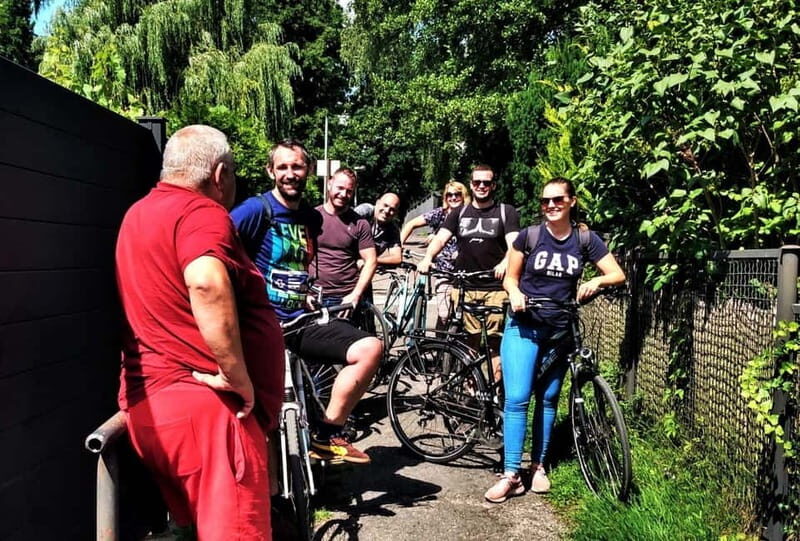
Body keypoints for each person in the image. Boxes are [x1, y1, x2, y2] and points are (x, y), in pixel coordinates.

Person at [115, 125, 283, 539]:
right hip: (207, 417)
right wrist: (237, 376)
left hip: (151, 408)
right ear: (220, 174)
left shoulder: (136, 214)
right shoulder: (200, 212)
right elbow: (206, 281)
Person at [231, 143, 381, 464]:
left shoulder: (309, 219)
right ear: (271, 171)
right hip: (261, 327)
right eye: (282, 167)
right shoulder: (256, 210)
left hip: (299, 322)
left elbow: (302, 263)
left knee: (370, 348)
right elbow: (218, 247)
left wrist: (308, 290)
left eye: (297, 167)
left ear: (308, 171)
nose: (290, 174)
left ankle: (328, 434)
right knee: (261, 416)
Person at [484, 177, 626, 503]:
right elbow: (511, 278)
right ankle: (510, 475)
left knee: (548, 399)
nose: (550, 206)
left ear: (571, 201)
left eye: (557, 200)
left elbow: (617, 274)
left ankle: (538, 467)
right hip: (524, 326)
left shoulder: (585, 239)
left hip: (561, 331)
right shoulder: (530, 236)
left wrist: (598, 282)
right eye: (545, 201)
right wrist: (516, 293)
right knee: (518, 397)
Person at [417, 165, 520, 380]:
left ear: (493, 185)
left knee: (494, 343)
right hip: (464, 287)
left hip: (495, 289)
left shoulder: (505, 212)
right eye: (477, 182)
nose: (481, 186)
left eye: (486, 183)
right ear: (471, 185)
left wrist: (504, 263)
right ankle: (471, 389)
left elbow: (514, 245)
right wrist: (428, 257)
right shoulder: (459, 212)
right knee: (468, 343)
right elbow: (440, 238)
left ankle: (494, 391)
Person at [400, 181, 470, 328]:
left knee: (463, 316)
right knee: (444, 314)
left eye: (457, 194)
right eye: (449, 195)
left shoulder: (471, 215)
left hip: (466, 272)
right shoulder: (440, 214)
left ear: (463, 196)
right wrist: (398, 246)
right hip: (444, 271)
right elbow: (411, 224)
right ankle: (441, 346)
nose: (453, 198)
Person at [354, 192, 402, 266]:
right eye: (385, 205)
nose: (387, 211)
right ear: (377, 203)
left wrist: (371, 261)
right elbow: (341, 230)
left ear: (396, 213)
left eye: (392, 209)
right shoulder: (365, 211)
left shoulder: (393, 229)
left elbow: (397, 258)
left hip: (365, 267)